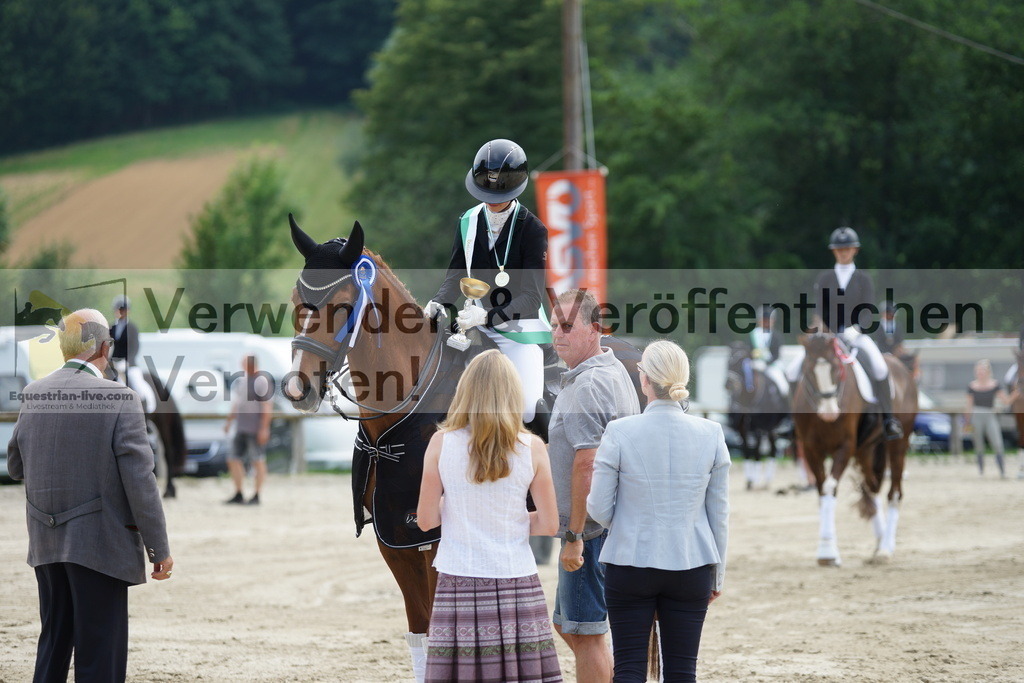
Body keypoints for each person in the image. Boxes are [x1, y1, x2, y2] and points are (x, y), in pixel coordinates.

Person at [7, 309, 173, 682]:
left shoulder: (33, 393)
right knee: (100, 653)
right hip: (100, 546)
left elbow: (16, 467)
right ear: (104, 347)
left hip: (46, 544)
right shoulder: (120, 397)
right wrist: (158, 549)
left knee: (52, 646)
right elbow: (140, 482)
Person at [588, 340, 730, 682]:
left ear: (644, 380)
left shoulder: (620, 431)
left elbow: (598, 507)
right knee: (683, 671)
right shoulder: (711, 432)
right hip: (691, 563)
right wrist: (717, 574)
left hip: (630, 561)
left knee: (629, 669)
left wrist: (627, 522)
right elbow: (719, 514)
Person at [416, 350, 562, 682]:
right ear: (513, 391)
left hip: (459, 579)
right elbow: (550, 523)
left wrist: (459, 510)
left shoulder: (441, 443)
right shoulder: (533, 446)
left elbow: (426, 520)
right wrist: (509, 519)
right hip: (516, 580)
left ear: (465, 390)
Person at [548, 288, 641, 682]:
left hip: (589, 531)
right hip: (603, 526)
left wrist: (575, 535)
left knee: (585, 634)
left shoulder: (587, 385)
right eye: (554, 325)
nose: (558, 334)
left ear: (595, 329)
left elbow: (587, 462)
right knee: (573, 627)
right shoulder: (611, 368)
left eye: (568, 326)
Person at [425, 139, 551, 429]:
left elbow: (532, 297)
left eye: (500, 194)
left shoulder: (533, 230)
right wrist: (439, 301)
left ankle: (540, 463)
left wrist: (489, 316)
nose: (491, 200)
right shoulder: (467, 220)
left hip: (518, 330)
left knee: (529, 407)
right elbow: (456, 274)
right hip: (472, 325)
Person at [786, 227, 903, 440]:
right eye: (839, 249)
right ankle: (791, 421)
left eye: (847, 249)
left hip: (856, 335)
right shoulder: (825, 279)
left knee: (879, 367)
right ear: (834, 251)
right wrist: (822, 329)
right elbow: (819, 310)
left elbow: (868, 310)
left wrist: (856, 329)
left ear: (855, 250)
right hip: (827, 337)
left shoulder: (863, 279)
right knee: (792, 370)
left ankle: (888, 420)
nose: (843, 252)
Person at [223, 354, 273, 505]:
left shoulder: (261, 381)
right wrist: (229, 421)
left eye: (243, 362)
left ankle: (257, 494)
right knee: (233, 459)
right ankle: (239, 492)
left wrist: (264, 428)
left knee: (257, 460)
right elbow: (238, 403)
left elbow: (267, 406)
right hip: (241, 427)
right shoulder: (243, 381)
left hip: (254, 428)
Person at [110, 295, 157, 413]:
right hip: (113, 364)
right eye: (118, 309)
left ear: (127, 311)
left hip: (129, 365)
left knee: (139, 387)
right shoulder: (111, 328)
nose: (120, 312)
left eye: (123, 309)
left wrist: (126, 362)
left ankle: (146, 415)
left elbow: (135, 347)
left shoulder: (132, 328)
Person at [966, 360, 1011, 478]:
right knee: (978, 444)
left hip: (990, 414)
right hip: (976, 415)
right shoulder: (972, 386)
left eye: (982, 370)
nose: (980, 373)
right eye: (978, 371)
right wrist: (967, 420)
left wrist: (1016, 394)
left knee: (997, 442)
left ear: (988, 372)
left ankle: (1002, 471)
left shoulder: (995, 385)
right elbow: (969, 405)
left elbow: (1005, 401)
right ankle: (981, 471)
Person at [750, 304, 788, 396]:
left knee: (784, 387)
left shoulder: (776, 336)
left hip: (772, 366)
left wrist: (766, 363)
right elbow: (749, 349)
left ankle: (787, 407)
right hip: (754, 365)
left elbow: (776, 354)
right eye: (763, 319)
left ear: (773, 320)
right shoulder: (753, 334)